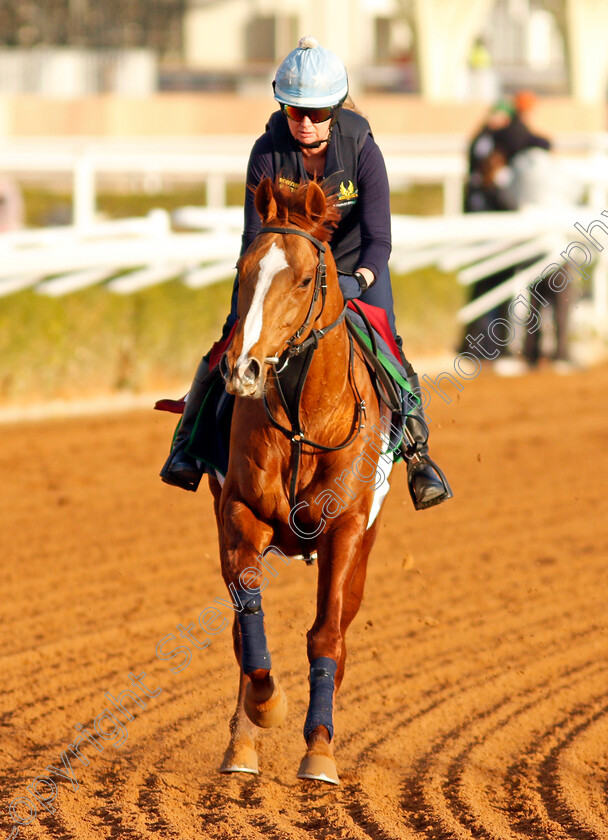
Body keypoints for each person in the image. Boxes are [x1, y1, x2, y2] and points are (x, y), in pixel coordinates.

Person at [160, 36, 452, 511]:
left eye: (317, 113)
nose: (306, 123)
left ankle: (419, 458)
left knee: (389, 347)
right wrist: (249, 297)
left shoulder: (363, 151)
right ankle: (185, 449)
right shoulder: (266, 151)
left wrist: (358, 282)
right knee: (228, 344)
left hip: (356, 271)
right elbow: (255, 236)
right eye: (296, 112)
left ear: (335, 109)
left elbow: (380, 240)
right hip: (282, 274)